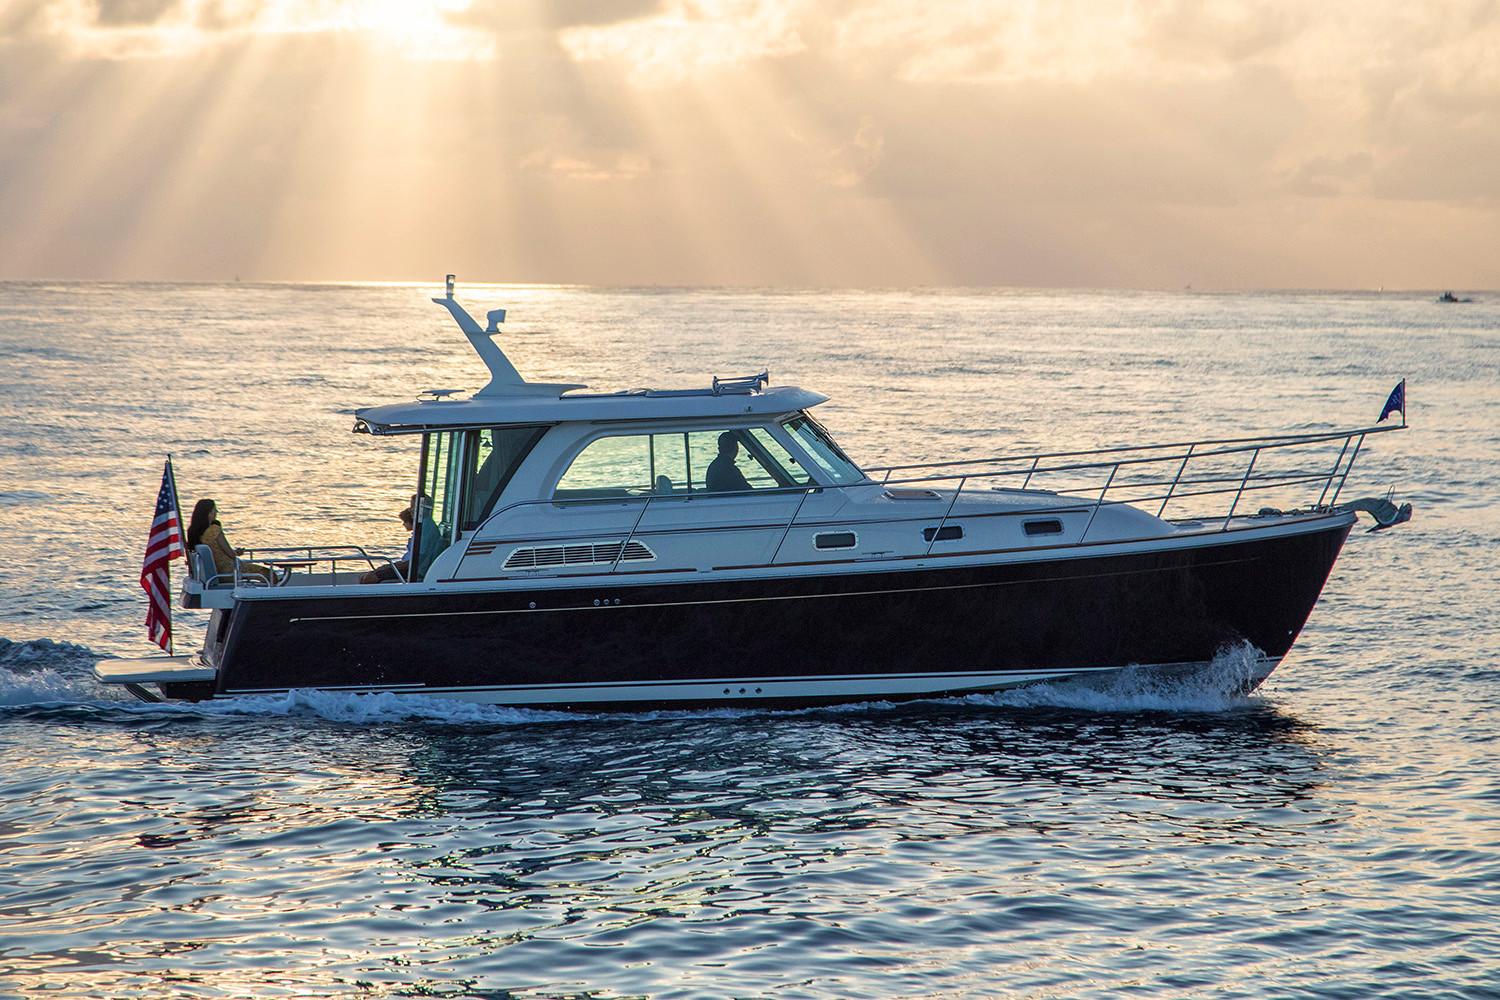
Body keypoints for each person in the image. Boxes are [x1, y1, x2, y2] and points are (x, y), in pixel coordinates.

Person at [186, 498, 276, 584]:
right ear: (209, 513)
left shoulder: (194, 533)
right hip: (230, 570)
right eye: (214, 510)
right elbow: (231, 554)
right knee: (270, 574)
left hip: (217, 570)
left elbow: (217, 550)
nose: (216, 512)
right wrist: (238, 552)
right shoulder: (214, 530)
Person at [361, 504, 415, 584]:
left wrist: (393, 566)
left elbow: (409, 563)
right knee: (367, 575)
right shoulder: (416, 536)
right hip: (404, 566)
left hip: (408, 569)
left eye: (405, 522)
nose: (403, 524)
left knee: (369, 577)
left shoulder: (420, 538)